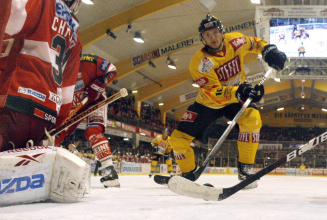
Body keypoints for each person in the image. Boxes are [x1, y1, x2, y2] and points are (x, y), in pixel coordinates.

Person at [170, 15, 286, 188]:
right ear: (202, 38)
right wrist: (240, 91)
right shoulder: (198, 63)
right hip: (209, 103)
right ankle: (188, 173)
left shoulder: (236, 41)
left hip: (236, 97)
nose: (213, 37)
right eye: (207, 35)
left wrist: (268, 50)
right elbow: (211, 92)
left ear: (222, 32)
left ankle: (245, 169)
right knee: (177, 140)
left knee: (253, 119)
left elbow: (254, 43)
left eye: (215, 32)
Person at [0, 0, 82, 152]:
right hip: (46, 118)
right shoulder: (75, 37)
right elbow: (66, 98)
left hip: (12, 100)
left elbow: (16, 9)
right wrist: (53, 127)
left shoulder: (43, 2)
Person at [55, 54, 120, 188]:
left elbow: (111, 69)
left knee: (92, 131)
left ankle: (109, 170)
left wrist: (98, 84)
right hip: (75, 107)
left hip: (96, 100)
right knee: (57, 135)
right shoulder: (56, 74)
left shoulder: (87, 61)